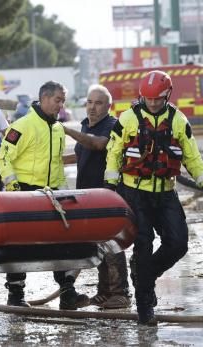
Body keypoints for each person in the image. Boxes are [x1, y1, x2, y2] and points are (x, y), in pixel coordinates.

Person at [104, 70, 203, 325]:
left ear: (168, 95)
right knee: (143, 244)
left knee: (178, 243)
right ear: (142, 96)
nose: (152, 103)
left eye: (158, 99)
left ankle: (145, 275)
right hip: (135, 192)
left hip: (165, 191)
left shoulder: (178, 121)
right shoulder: (128, 118)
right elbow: (114, 153)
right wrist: (110, 186)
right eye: (148, 99)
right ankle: (145, 305)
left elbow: (191, 156)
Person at [0, 81, 89, 309]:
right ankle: (16, 294)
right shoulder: (22, 126)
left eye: (63, 101)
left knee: (63, 241)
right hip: (25, 192)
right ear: (45, 98)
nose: (61, 105)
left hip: (52, 194)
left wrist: (63, 194)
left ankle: (68, 292)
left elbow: (56, 164)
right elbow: (3, 157)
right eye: (58, 100)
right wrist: (14, 189)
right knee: (20, 245)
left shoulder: (58, 128)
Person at [62, 85, 131, 309]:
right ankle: (104, 292)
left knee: (111, 243)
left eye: (98, 103)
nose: (92, 108)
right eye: (89, 102)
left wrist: (65, 130)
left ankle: (121, 293)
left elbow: (97, 144)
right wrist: (55, 160)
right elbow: (83, 151)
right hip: (87, 195)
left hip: (107, 195)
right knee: (97, 245)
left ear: (108, 106)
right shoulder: (86, 125)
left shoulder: (112, 125)